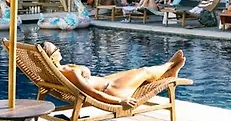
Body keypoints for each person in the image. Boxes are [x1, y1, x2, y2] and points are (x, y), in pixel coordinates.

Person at [44, 42, 186, 108]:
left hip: (108, 83)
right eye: (56, 49)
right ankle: (170, 65)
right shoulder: (69, 72)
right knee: (144, 72)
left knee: (137, 72)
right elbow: (92, 94)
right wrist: (120, 101)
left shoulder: (53, 72)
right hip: (112, 91)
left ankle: (169, 73)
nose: (59, 49)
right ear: (51, 57)